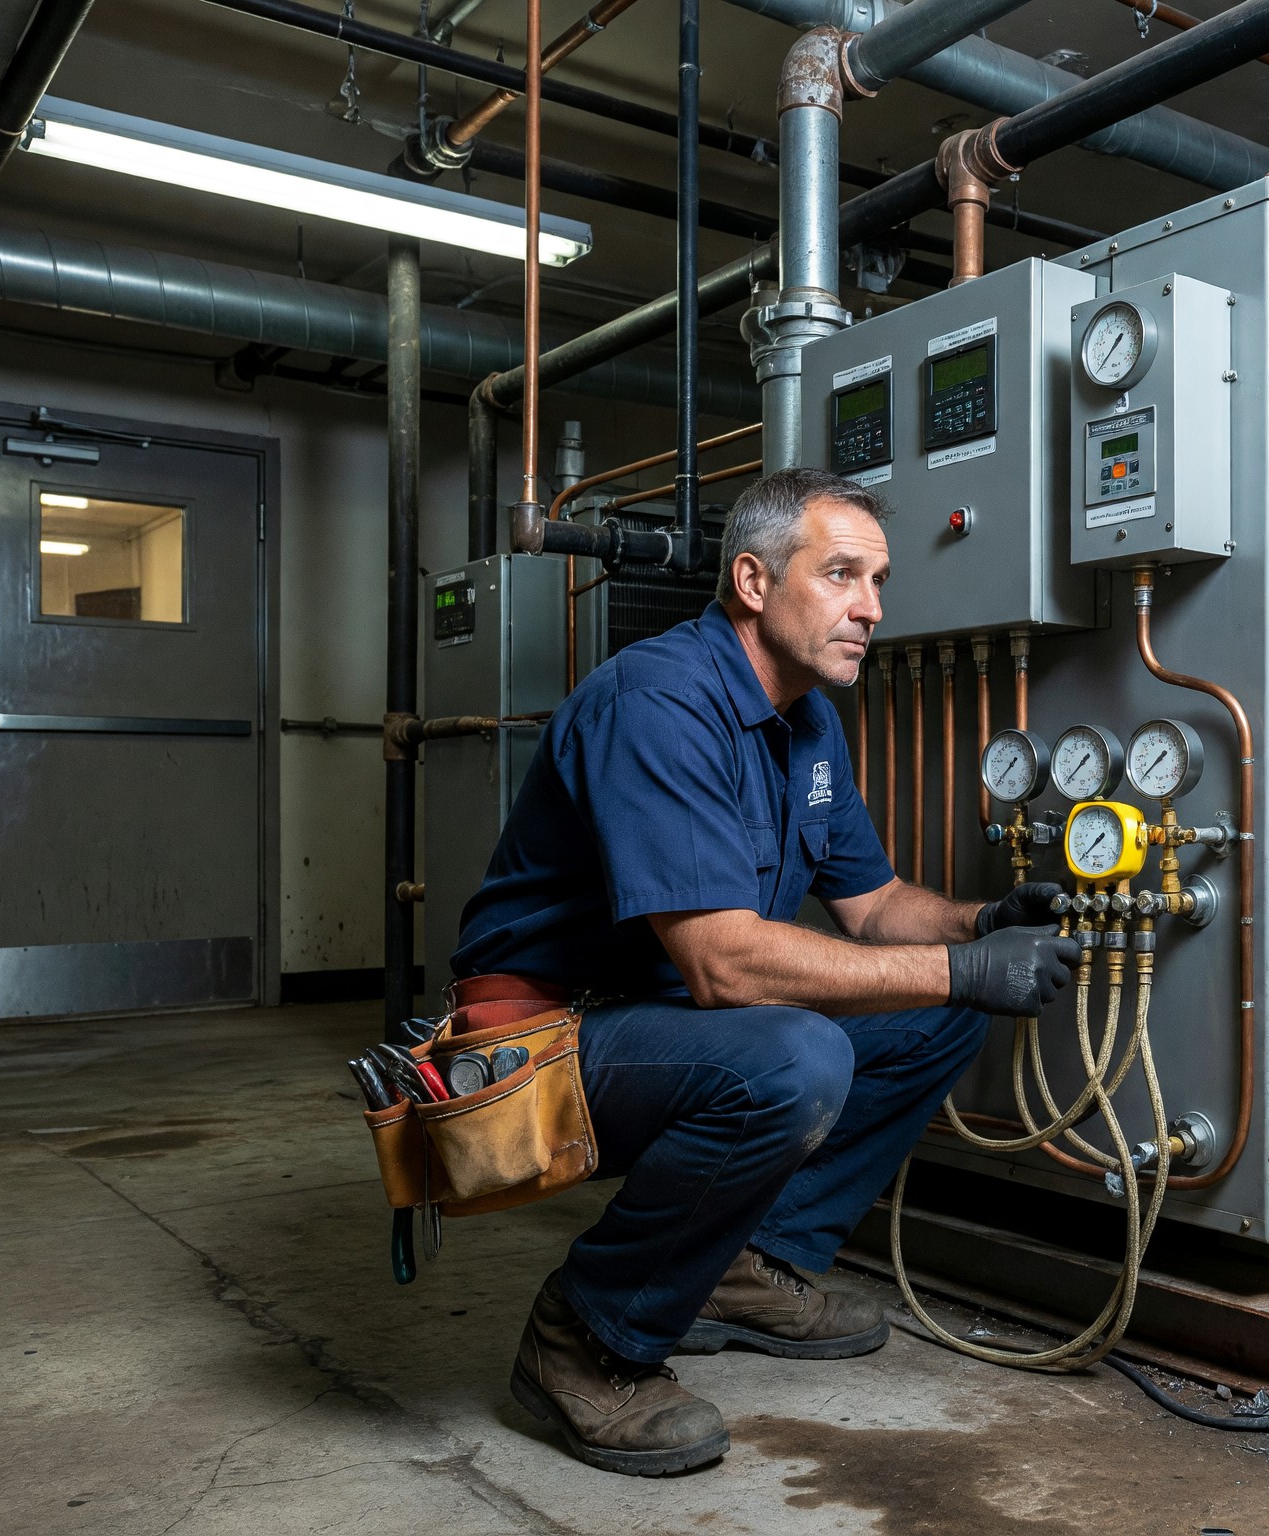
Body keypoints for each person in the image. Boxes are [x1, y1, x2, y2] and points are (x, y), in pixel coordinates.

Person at [448, 468, 1077, 1476]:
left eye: (875, 580)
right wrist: (962, 970)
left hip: (661, 1029)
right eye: (839, 575)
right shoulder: (659, 702)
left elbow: (873, 908)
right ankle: (585, 1338)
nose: (869, 607)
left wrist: (980, 923)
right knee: (792, 1057)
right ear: (751, 580)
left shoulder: (804, 721)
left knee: (937, 1013)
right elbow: (725, 968)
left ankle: (741, 1270)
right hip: (537, 1052)